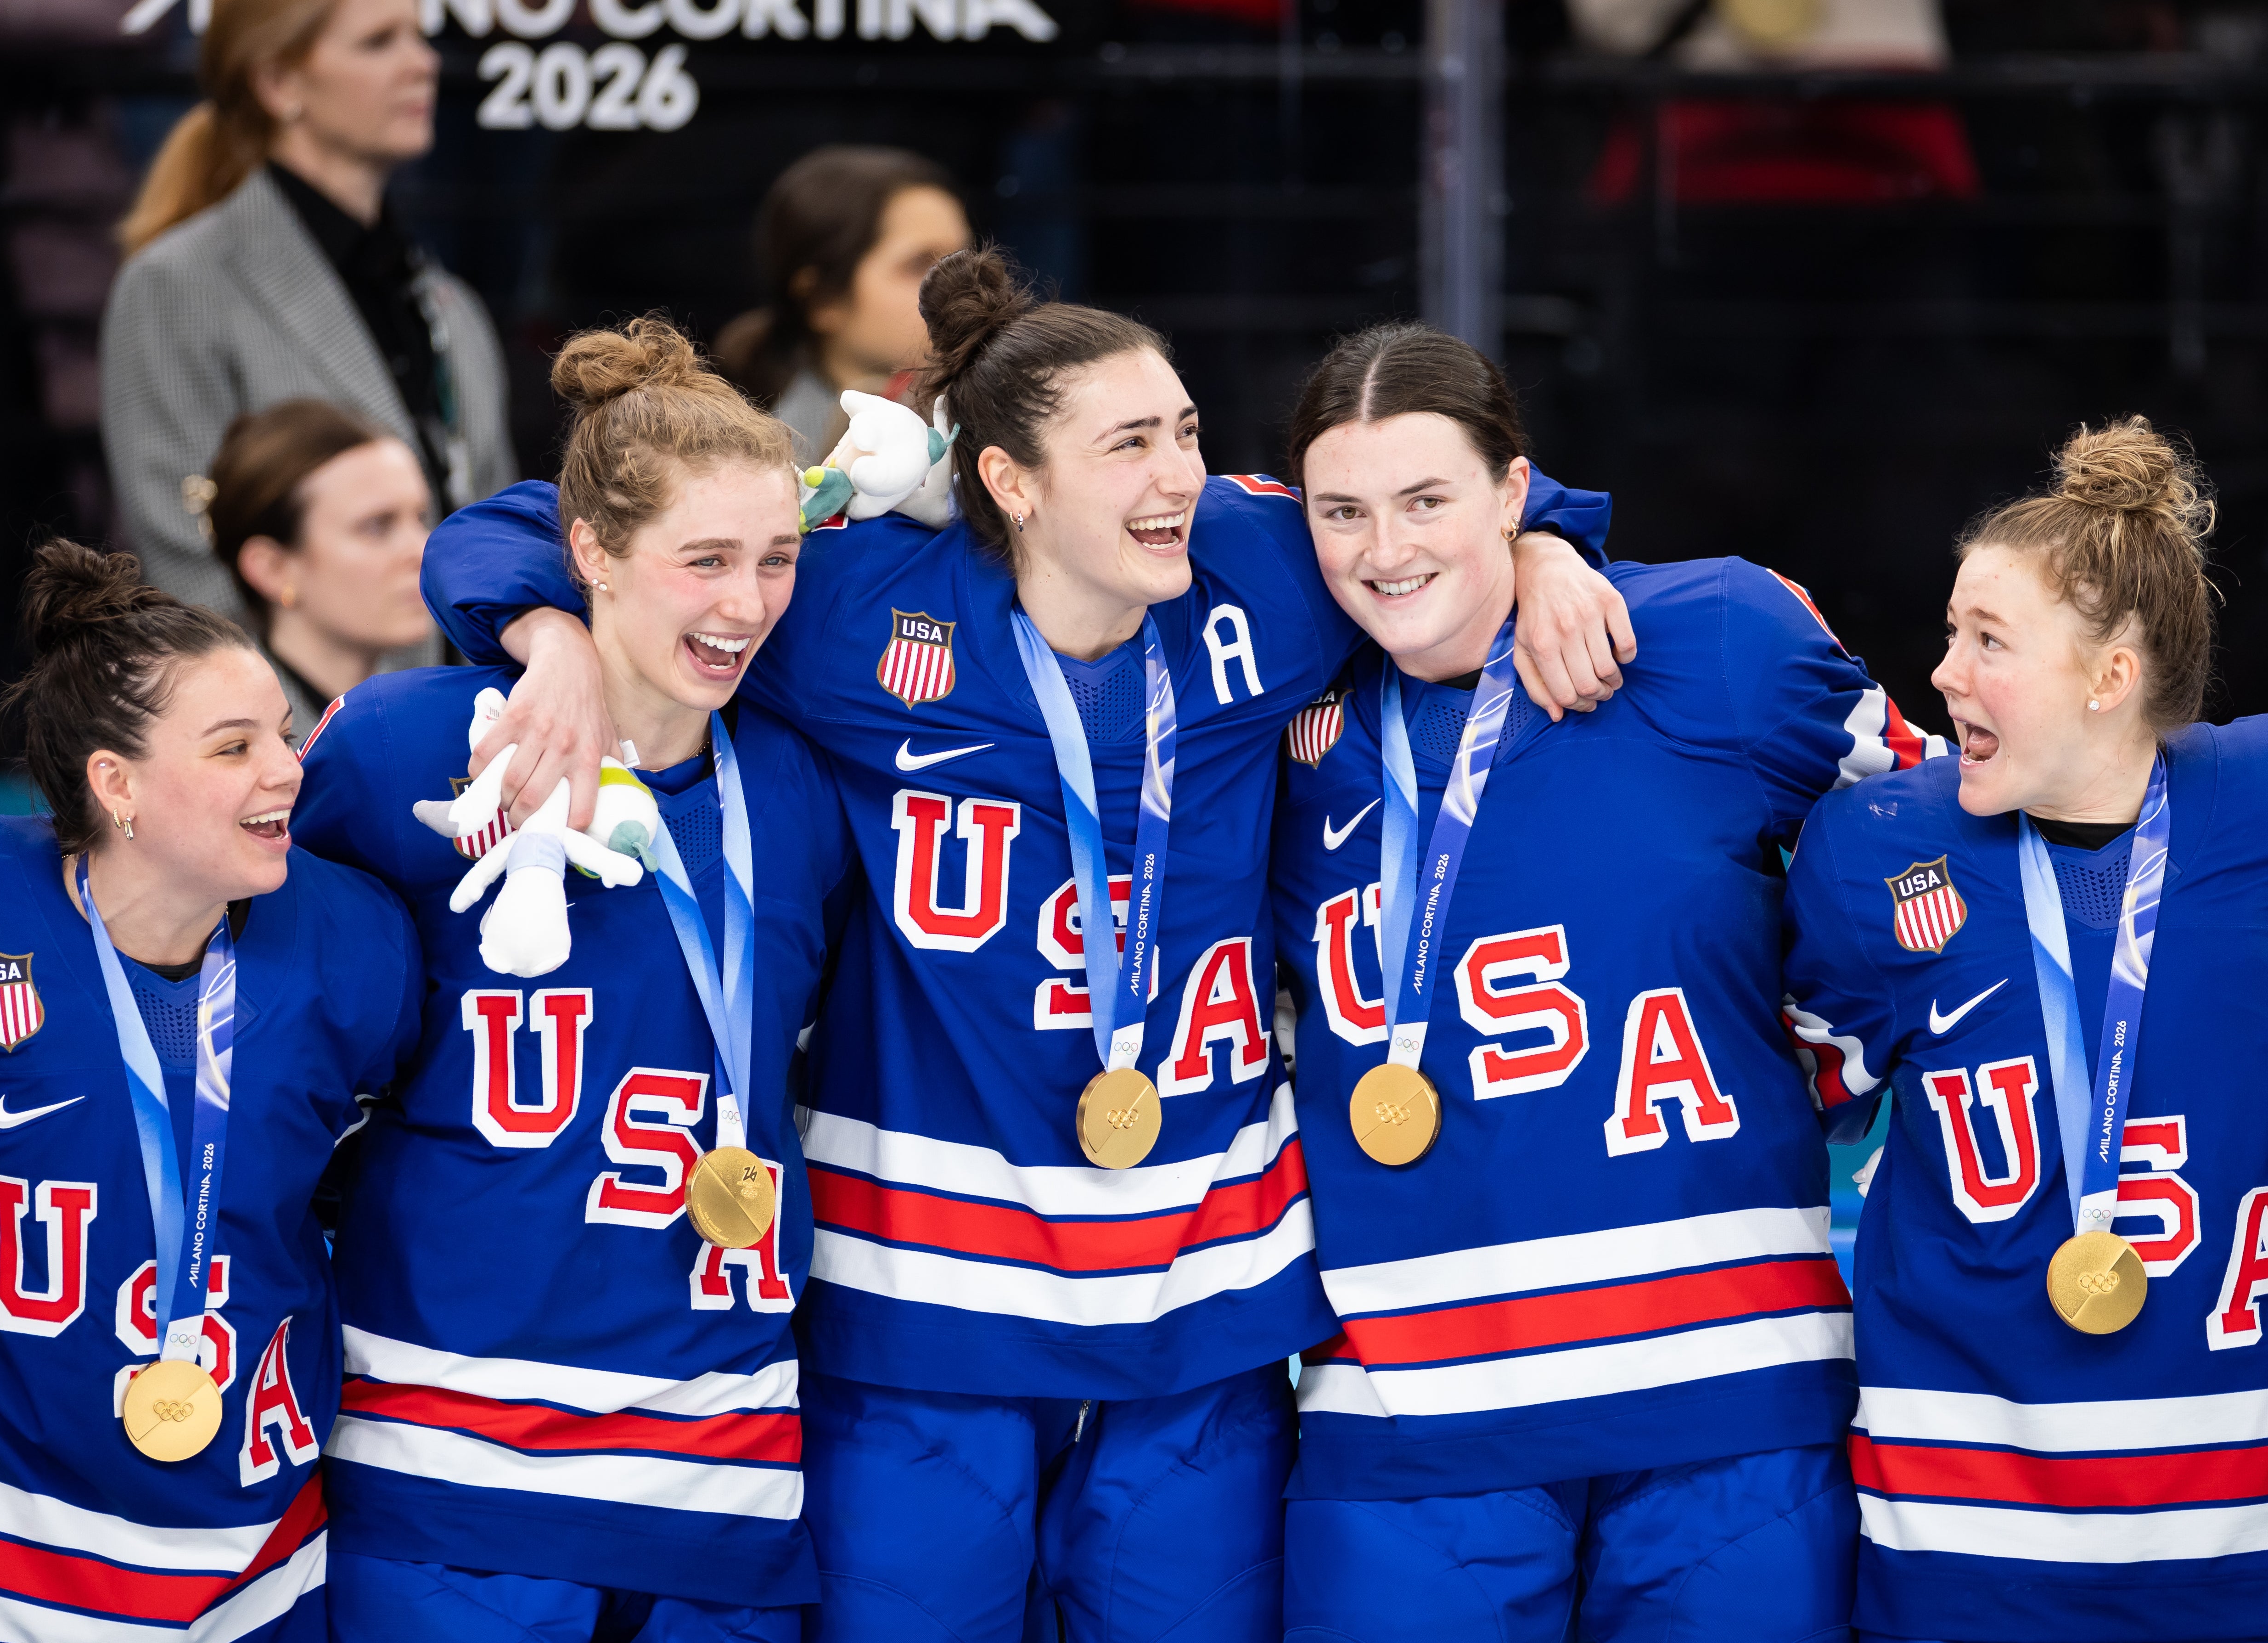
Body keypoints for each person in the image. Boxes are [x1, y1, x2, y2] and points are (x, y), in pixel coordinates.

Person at [415, 248, 1631, 1640]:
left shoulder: (1257, 562)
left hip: (1203, 1307)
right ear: (1007, 481)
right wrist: (546, 635)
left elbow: (1444, 506)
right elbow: (543, 522)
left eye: (1180, 430)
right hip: (923, 1311)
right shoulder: (852, 596)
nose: (1177, 472)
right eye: (1127, 445)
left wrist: (1547, 548)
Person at [1267, 323, 1940, 1642]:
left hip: (1723, 1386)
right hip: (1409, 1397)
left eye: (1426, 500)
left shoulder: (1714, 637)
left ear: (1513, 487)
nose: (1383, 548)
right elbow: (1108, 504)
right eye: (1339, 510)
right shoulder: (1269, 703)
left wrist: (1836, 1045)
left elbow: (1945, 841)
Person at [289, 318, 848, 1643]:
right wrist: (544, 640)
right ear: (589, 552)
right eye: (702, 560)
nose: (746, 602)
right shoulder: (399, 744)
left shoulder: (798, 783)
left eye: (775, 560)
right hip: (453, 1473)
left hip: (722, 1475)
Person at [1781, 418, 2268, 1643]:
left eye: (1985, 642)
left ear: (2106, 676)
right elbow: (1778, 1112)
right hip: (1966, 1534)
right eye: (1949, 632)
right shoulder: (1876, 851)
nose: (1940, 673)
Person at [0, 543, 420, 1639]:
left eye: (281, 730)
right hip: (16, 1535)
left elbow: (364, 1187)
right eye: (235, 746)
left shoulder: (355, 940)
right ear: (114, 781)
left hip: (257, 1533)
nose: (286, 769)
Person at [101, 0, 512, 632]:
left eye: (419, 37)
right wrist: (330, 730)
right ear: (279, 83)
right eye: (379, 42)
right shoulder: (177, 287)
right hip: (297, 727)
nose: (423, 64)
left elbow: (494, 551)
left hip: (472, 718)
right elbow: (194, 587)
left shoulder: (452, 308)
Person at [200, 398, 434, 738]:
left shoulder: (433, 713)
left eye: (422, 518)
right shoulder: (233, 752)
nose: (423, 550)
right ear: (273, 569)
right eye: (376, 526)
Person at [713, 146, 971, 452]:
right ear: (823, 299)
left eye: (963, 260)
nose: (962, 287)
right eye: (918, 266)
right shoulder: (783, 464)